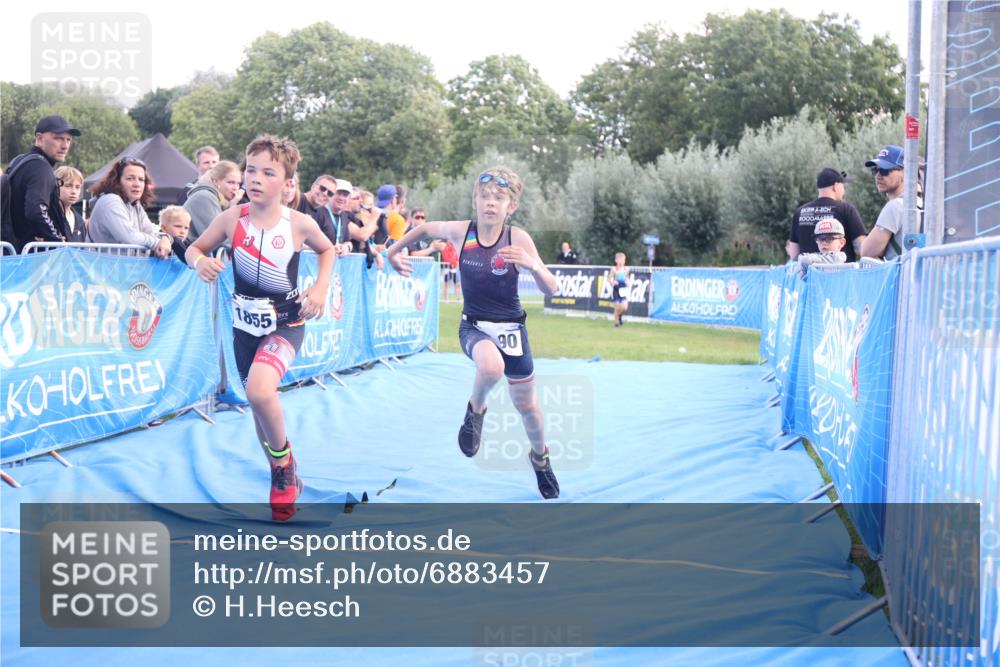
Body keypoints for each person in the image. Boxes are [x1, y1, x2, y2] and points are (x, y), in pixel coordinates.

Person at [185, 134, 335, 521]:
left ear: (287, 185)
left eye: (268, 172)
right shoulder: (231, 219)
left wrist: (320, 286)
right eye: (250, 169)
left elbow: (328, 249)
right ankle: (279, 467)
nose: (254, 178)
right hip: (244, 328)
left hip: (286, 323)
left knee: (259, 389)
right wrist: (198, 262)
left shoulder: (299, 224)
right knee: (258, 405)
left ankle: (283, 468)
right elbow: (193, 247)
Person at [387, 167, 560, 499]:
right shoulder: (460, 232)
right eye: (484, 197)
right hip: (475, 326)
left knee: (529, 408)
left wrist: (532, 264)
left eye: (499, 198)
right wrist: (392, 253)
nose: (490, 203)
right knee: (490, 367)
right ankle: (476, 411)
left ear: (511, 207)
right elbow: (422, 229)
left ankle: (540, 459)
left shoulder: (517, 238)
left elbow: (552, 287)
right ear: (474, 201)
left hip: (512, 329)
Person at [4, 114, 80, 251]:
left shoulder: (19, 161)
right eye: (58, 138)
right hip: (28, 255)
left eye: (68, 140)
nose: (65, 146)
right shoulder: (40, 167)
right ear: (39, 138)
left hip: (12, 252)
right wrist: (57, 240)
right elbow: (37, 210)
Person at [87, 157, 173, 258]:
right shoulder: (110, 200)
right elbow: (130, 237)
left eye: (141, 180)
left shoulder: (135, 204)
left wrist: (165, 238)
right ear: (117, 181)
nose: (137, 184)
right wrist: (158, 243)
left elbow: (150, 230)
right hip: (101, 270)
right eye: (130, 178)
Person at [787, 167, 867, 262]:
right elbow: (862, 248)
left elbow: (794, 254)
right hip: (841, 273)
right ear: (835, 186)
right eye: (843, 186)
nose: (844, 191)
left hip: (809, 275)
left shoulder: (800, 212)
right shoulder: (846, 210)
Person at [861, 145, 907, 260]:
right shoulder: (918, 202)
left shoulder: (895, 206)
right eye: (875, 170)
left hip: (899, 276)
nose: (878, 176)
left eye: (885, 170)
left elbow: (866, 251)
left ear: (904, 172)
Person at [184, 160, 243, 241]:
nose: (235, 188)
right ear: (215, 181)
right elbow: (219, 239)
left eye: (238, 183)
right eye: (231, 182)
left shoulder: (216, 198)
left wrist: (232, 206)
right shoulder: (205, 197)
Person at [54, 165, 86, 242]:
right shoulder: (45, 215)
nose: (74, 191)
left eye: (77, 187)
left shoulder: (80, 220)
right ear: (56, 186)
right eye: (68, 186)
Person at [607, 252, 630, 327]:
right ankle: (616, 322)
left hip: (623, 289)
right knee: (617, 306)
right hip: (616, 289)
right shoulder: (614, 269)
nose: (622, 261)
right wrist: (613, 281)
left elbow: (627, 278)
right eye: (620, 260)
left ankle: (619, 316)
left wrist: (628, 283)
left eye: (623, 260)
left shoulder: (626, 269)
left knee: (624, 307)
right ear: (616, 260)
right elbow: (609, 278)